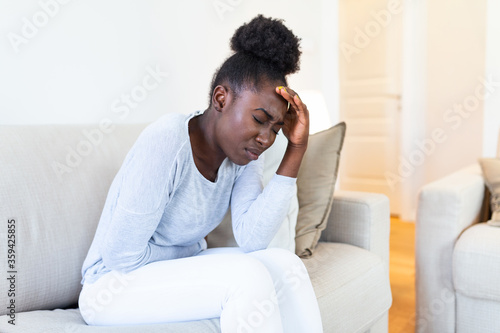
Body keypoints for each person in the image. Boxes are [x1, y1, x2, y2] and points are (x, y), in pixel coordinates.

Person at [78, 14, 323, 333]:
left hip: (166, 271)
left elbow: (252, 239)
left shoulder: (244, 155)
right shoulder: (168, 138)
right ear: (222, 98)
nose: (266, 137)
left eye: (276, 128)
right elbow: (121, 256)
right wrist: (193, 249)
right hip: (108, 288)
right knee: (247, 278)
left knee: (286, 265)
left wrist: (297, 147)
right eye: (260, 119)